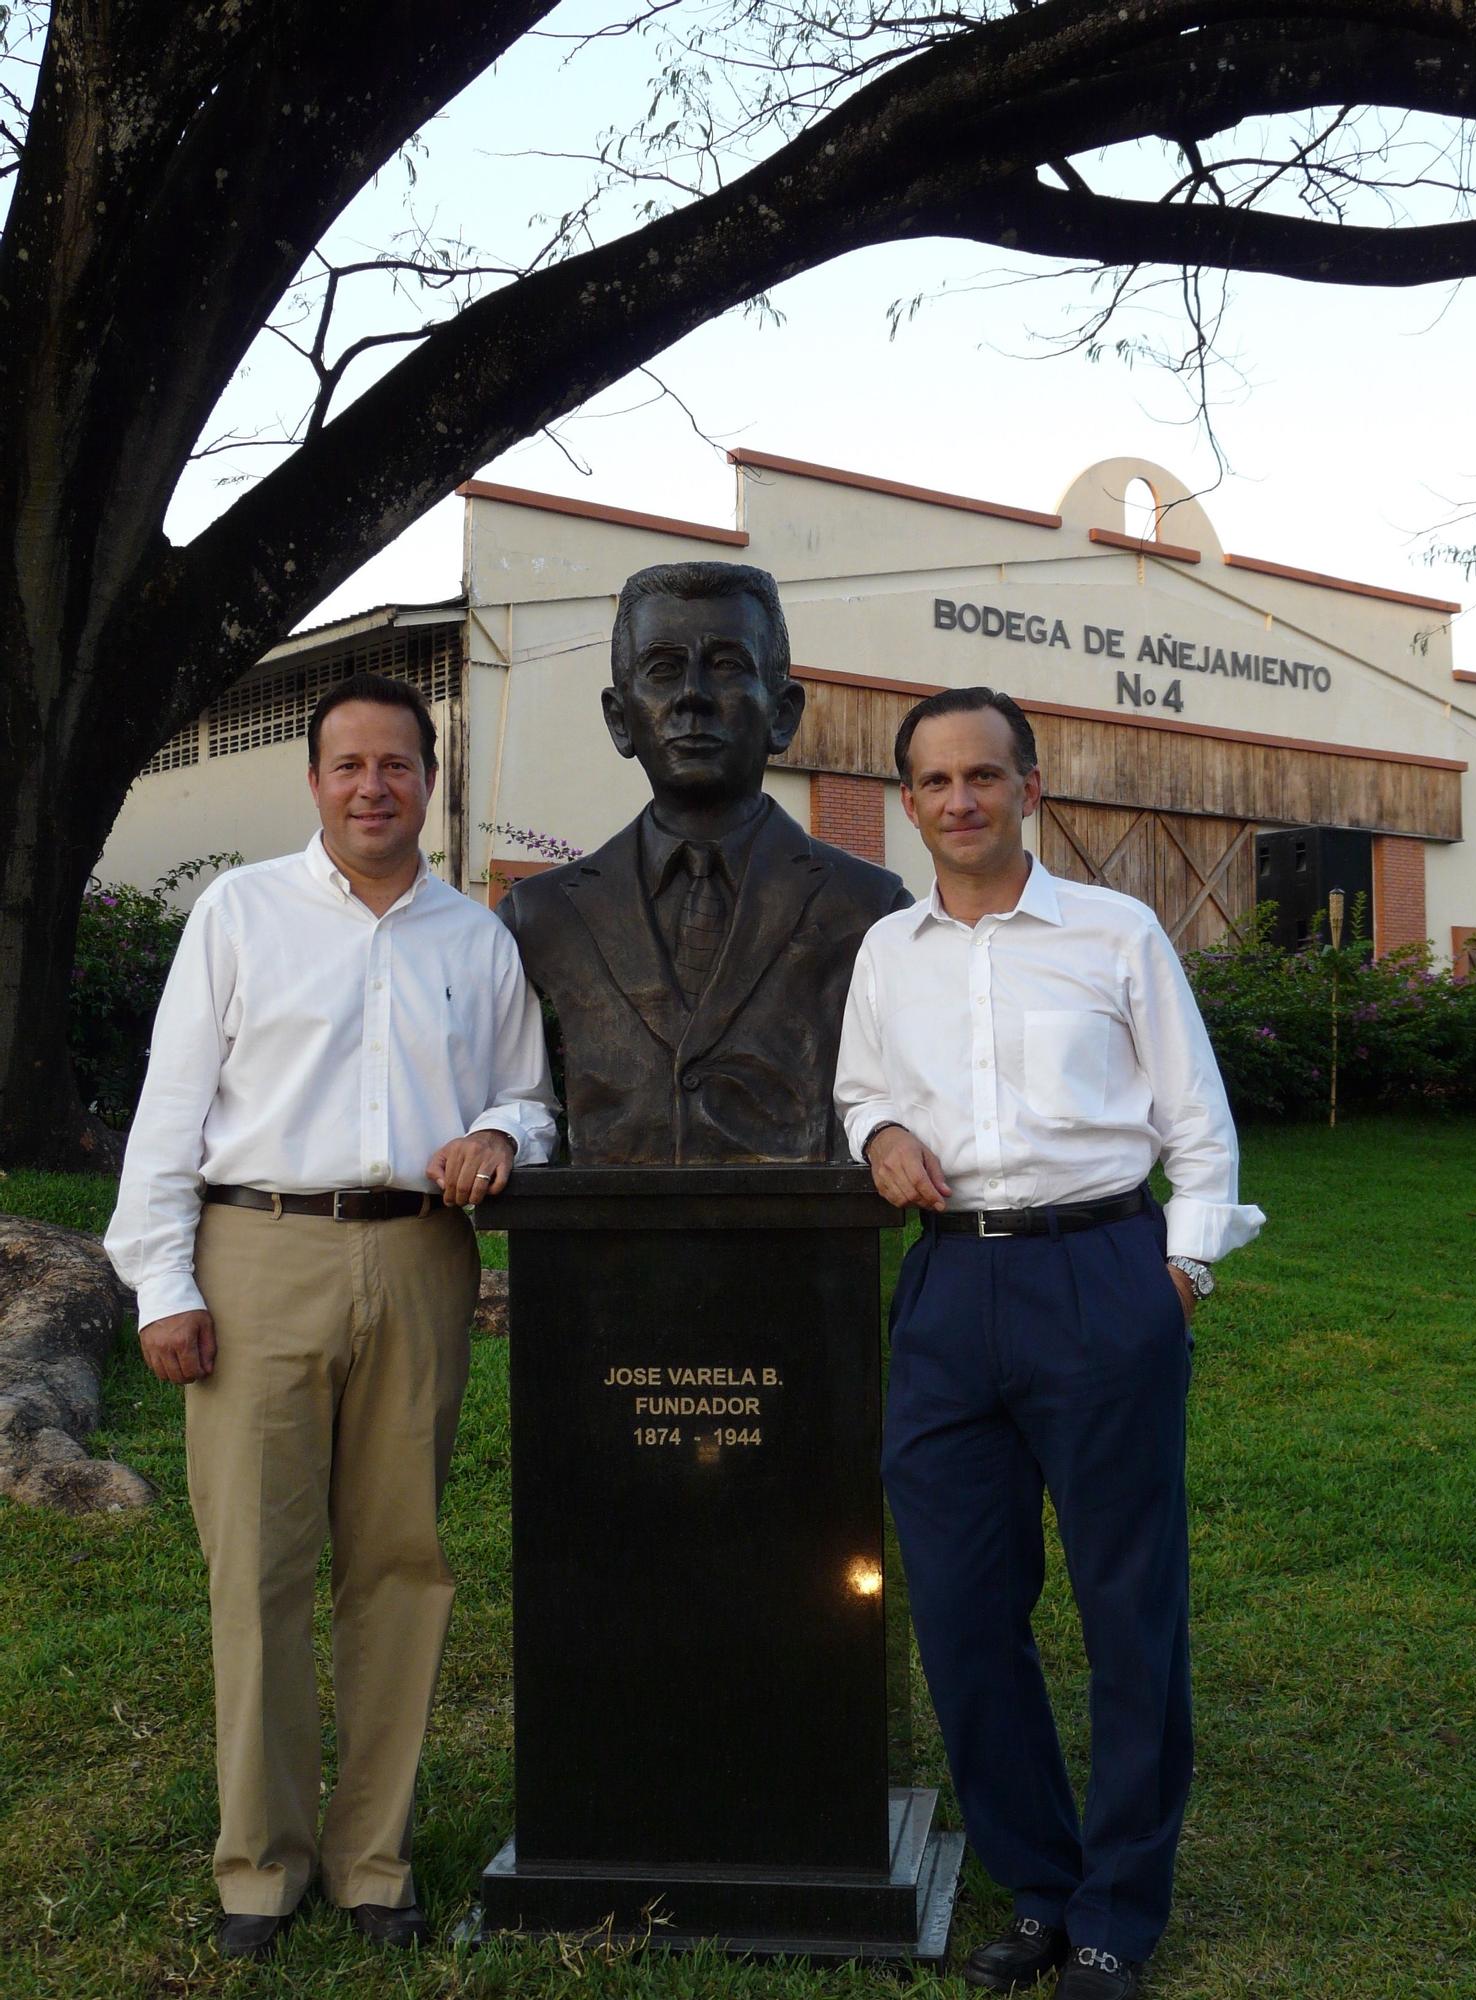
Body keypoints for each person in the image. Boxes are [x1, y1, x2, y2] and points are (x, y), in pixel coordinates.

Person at [105, 673, 556, 1959]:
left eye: (398, 764)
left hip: (420, 1258)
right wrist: (166, 1283)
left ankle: (373, 1857)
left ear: (429, 779)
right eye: (349, 764)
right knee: (258, 1565)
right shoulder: (240, 913)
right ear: (314, 782)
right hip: (261, 1251)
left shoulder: (477, 938)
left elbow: (531, 1097)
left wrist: (496, 1130)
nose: (373, 785)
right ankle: (261, 1862)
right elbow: (169, 1105)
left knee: (401, 1562)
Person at [834, 686, 1263, 2000]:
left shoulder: (1115, 932)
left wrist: (1177, 1271)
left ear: (1032, 785)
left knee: (1129, 1608)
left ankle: (1116, 1916)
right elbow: (860, 1091)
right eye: (934, 781)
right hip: (950, 1294)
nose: (959, 800)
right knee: (964, 1610)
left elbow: (1198, 1119)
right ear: (908, 802)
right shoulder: (886, 953)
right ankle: (1038, 1879)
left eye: (984, 775)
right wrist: (879, 1139)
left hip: (1099, 1274)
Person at [501, 560, 909, 1163]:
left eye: (727, 665)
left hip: (806, 1243)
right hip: (600, 1248)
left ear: (783, 713)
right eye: (662, 670)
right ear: (620, 719)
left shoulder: (871, 909)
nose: (692, 695)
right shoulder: (540, 915)